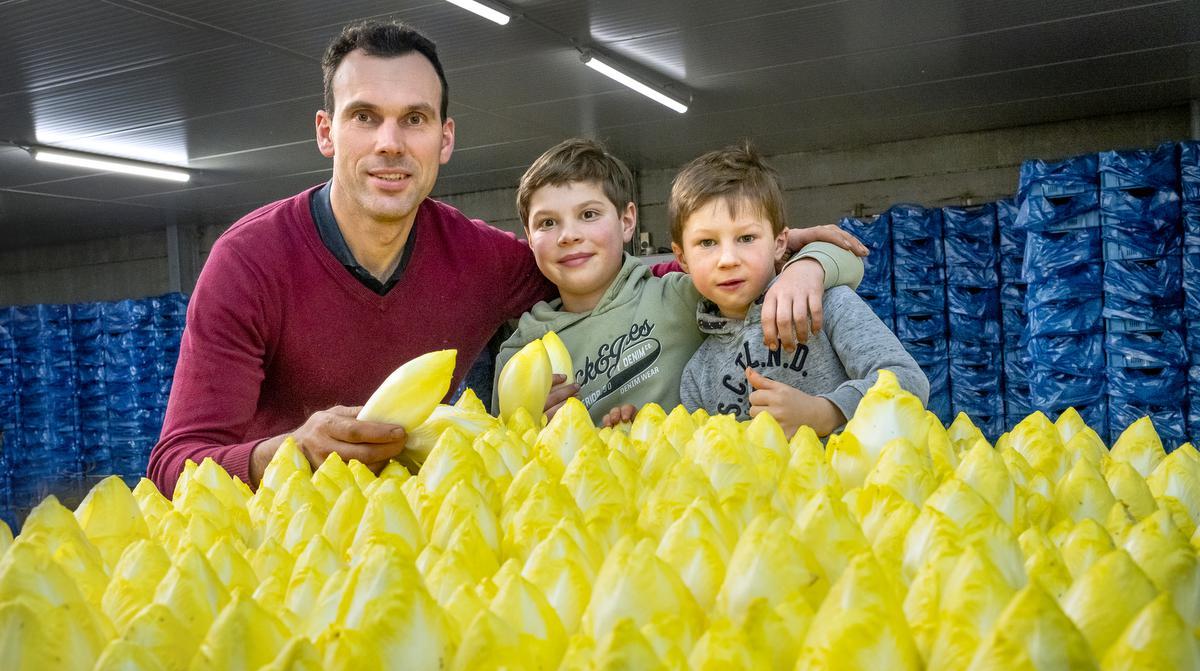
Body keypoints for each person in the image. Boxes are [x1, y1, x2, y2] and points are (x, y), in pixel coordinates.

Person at [146, 20, 866, 494]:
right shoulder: (249, 261)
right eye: (365, 117)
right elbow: (175, 464)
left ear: (445, 140)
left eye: (415, 120)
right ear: (327, 133)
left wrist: (803, 261)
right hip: (276, 553)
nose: (391, 143)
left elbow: (661, 275)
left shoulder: (486, 261)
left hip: (423, 535)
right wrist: (289, 450)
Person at [493, 138, 864, 425]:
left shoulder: (680, 296)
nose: (568, 235)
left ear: (627, 221)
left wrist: (806, 266)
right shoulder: (522, 350)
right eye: (547, 223)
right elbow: (503, 448)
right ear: (527, 235)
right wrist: (531, 425)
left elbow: (852, 261)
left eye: (588, 214)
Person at [674, 144, 929, 438]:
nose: (728, 259)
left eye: (746, 237)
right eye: (707, 243)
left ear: (780, 243)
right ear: (682, 258)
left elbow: (910, 383)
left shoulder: (828, 303)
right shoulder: (696, 374)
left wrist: (826, 412)